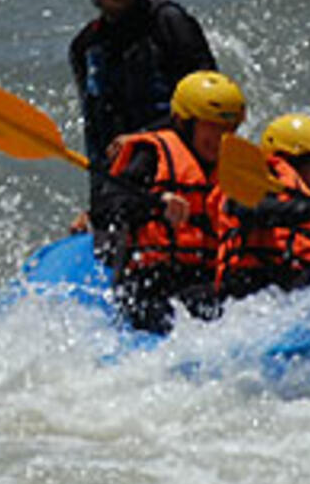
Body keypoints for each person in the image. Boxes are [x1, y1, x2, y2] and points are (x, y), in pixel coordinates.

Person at [68, 0, 216, 214]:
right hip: (125, 182)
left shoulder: (170, 23)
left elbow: (211, 109)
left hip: (182, 165)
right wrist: (97, 207)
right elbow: (97, 137)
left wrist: (145, 137)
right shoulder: (84, 47)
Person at [94, 70, 245, 333]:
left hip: (203, 281)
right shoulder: (151, 154)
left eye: (228, 129)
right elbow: (106, 208)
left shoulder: (235, 167)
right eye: (212, 126)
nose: (221, 138)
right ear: (184, 122)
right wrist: (155, 203)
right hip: (150, 283)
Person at [215, 113, 310, 300]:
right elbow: (254, 210)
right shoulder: (250, 186)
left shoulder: (304, 202)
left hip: (287, 292)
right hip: (248, 290)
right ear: (292, 161)